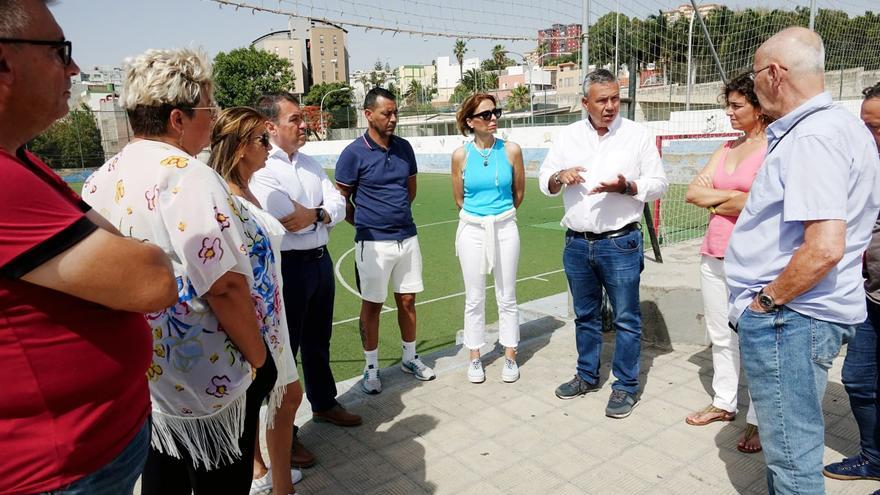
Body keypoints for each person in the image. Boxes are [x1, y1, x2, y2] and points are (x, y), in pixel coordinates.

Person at [82, 48, 280, 495]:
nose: (212, 122)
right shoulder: (187, 176)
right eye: (208, 111)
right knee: (220, 483)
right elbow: (224, 285)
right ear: (177, 118)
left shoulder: (102, 177)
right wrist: (259, 358)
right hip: (207, 379)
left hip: (147, 376)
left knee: (163, 478)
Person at [0, 2, 177, 494]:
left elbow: (121, 253)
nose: (73, 68)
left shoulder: (22, 162)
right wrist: (141, 256)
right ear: (4, 62)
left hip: (93, 450)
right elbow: (152, 280)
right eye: (60, 51)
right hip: (58, 472)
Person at [725, 28, 880, 494]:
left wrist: (765, 304)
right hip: (800, 316)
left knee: (792, 463)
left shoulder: (814, 136)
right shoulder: (837, 126)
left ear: (774, 74)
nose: (752, 87)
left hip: (790, 320)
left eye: (754, 77)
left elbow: (825, 246)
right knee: (791, 456)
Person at [539, 68, 668, 419]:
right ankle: (586, 375)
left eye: (615, 98)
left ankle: (625, 387)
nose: (611, 106)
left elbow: (658, 184)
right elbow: (543, 181)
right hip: (577, 245)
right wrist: (558, 177)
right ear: (585, 103)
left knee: (627, 318)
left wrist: (627, 187)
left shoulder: (638, 135)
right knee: (585, 316)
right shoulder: (567, 137)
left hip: (621, 243)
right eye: (602, 100)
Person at [251, 93, 361, 469]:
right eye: (294, 119)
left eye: (302, 119)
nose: (303, 125)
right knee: (286, 351)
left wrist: (314, 214)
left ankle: (325, 403)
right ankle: (287, 435)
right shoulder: (261, 169)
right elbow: (283, 216)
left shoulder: (312, 164)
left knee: (318, 340)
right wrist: (321, 214)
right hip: (288, 268)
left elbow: (339, 206)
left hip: (319, 261)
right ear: (270, 127)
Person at [208, 107, 305, 495]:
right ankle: (272, 481)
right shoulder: (223, 197)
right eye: (261, 141)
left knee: (283, 399)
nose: (268, 146)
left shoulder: (248, 188)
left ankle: (269, 476)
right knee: (277, 400)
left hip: (272, 314)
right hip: (255, 320)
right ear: (239, 147)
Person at [683, 73, 769, 454]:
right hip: (713, 253)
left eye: (737, 106)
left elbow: (762, 201)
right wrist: (734, 197)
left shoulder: (774, 147)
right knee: (721, 334)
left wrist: (718, 199)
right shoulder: (725, 148)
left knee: (756, 340)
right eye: (728, 105)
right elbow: (691, 192)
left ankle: (758, 420)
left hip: (755, 258)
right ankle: (724, 402)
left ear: (758, 107)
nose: (729, 112)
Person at [336, 87, 435, 394]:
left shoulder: (405, 148)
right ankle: (370, 367)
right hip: (372, 243)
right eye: (386, 113)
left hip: (407, 237)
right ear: (368, 115)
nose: (393, 119)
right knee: (373, 305)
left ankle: (409, 357)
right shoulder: (353, 154)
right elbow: (342, 200)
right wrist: (367, 222)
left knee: (407, 300)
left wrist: (396, 217)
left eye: (395, 113)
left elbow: (410, 190)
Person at [822, 81, 880, 484]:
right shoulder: (862, 163)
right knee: (858, 378)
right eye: (867, 126)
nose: (873, 136)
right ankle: (874, 458)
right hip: (869, 297)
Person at [450, 93, 525, 383]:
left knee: (507, 296)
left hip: (505, 227)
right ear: (470, 121)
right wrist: (481, 220)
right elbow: (459, 198)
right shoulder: (460, 155)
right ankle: (475, 356)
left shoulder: (512, 151)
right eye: (485, 114)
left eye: (496, 112)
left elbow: (518, 194)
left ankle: (510, 356)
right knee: (474, 297)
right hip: (472, 230)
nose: (493, 118)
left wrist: (498, 217)